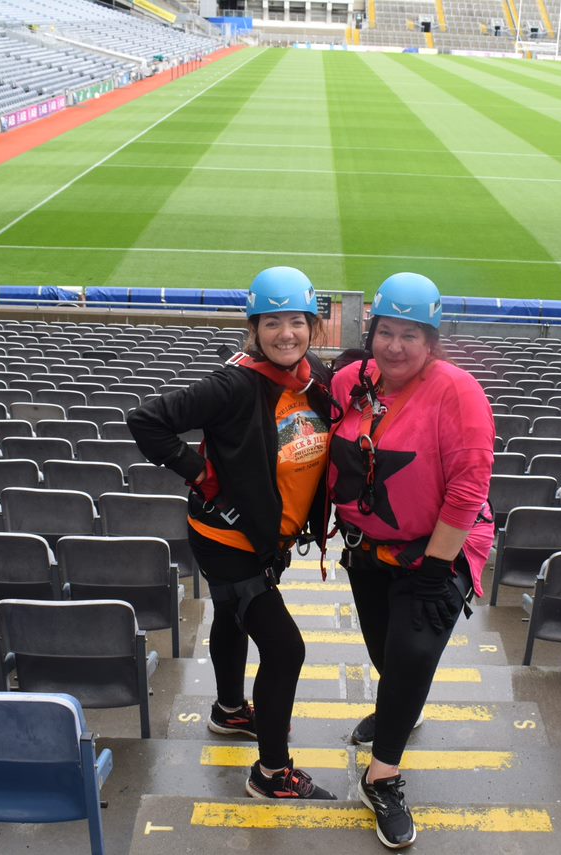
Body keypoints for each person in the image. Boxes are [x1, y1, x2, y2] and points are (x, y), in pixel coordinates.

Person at [127, 266, 338, 800]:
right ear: (254, 328)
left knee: (230, 615)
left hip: (264, 536)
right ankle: (270, 774)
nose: (286, 333)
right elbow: (147, 420)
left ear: (312, 325)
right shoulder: (234, 384)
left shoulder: (312, 377)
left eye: (296, 321)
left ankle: (227, 711)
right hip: (228, 540)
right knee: (286, 650)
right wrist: (198, 472)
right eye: (272, 323)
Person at [327, 272, 495, 848]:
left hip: (437, 552)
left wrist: (434, 565)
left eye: (411, 335)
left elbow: (470, 487)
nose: (396, 346)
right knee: (385, 655)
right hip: (367, 552)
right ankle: (402, 706)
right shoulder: (351, 380)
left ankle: (384, 774)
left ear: (432, 340)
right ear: (372, 333)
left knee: (411, 651)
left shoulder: (458, 392)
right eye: (386, 332)